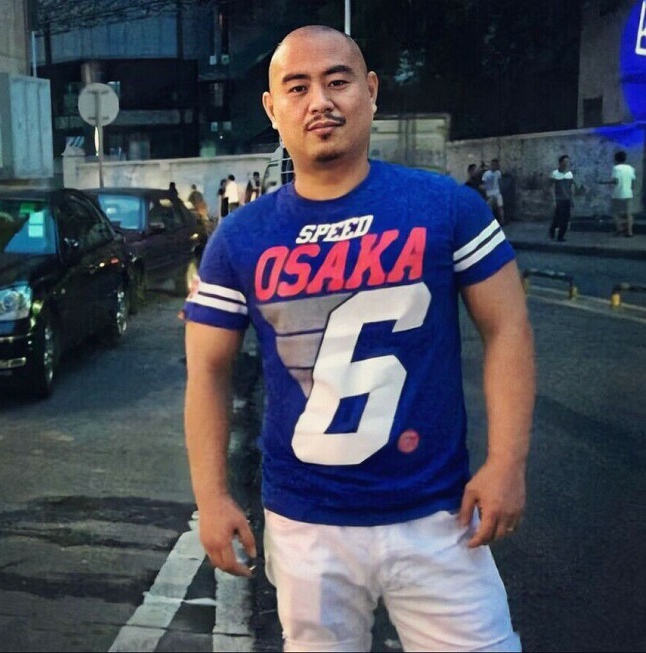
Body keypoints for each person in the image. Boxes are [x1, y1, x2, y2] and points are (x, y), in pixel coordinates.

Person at [182, 25, 535, 653]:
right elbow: (207, 371)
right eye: (297, 87)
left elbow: (507, 328)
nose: (320, 101)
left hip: (437, 514)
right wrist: (211, 497)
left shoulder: (444, 207)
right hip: (306, 523)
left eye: (337, 80)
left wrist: (507, 462)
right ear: (272, 109)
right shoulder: (239, 239)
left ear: (371, 91)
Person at [609, 150, 636, 237]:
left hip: (618, 193)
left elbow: (615, 180)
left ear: (616, 159)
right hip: (628, 193)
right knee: (629, 213)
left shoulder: (616, 168)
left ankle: (620, 228)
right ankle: (630, 232)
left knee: (615, 212)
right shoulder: (630, 168)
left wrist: (605, 182)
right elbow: (633, 182)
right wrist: (631, 189)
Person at [549, 154, 574, 242]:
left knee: (562, 218)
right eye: (565, 162)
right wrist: (553, 200)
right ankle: (556, 233)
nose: (566, 163)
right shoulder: (555, 174)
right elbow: (551, 187)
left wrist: (571, 199)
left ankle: (556, 234)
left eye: (567, 162)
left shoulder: (569, 174)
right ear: (560, 163)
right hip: (559, 199)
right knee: (560, 218)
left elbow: (571, 187)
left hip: (567, 199)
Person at [482, 158, 506, 225]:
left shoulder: (498, 173)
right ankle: (490, 222)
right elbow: (484, 183)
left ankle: (502, 220)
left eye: (496, 165)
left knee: (500, 207)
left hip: (497, 192)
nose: (495, 166)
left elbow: (500, 182)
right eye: (494, 165)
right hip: (489, 193)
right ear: (491, 165)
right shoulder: (486, 174)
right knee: (490, 208)